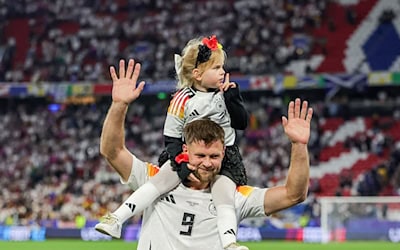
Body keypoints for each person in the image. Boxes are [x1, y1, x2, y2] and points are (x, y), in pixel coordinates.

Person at [98, 59, 313, 249]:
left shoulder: (235, 196)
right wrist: (119, 105)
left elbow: (293, 194)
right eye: (200, 156)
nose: (207, 163)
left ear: (224, 154)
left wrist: (299, 145)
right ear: (185, 151)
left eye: (214, 157)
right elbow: (112, 151)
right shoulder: (154, 178)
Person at [96, 35, 249, 249]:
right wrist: (179, 158)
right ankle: (116, 219)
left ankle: (230, 243)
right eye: (216, 68)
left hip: (224, 159)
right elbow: (172, 134)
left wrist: (232, 97)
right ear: (197, 74)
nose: (222, 71)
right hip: (185, 156)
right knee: (157, 184)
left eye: (222, 66)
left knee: (224, 197)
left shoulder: (226, 95)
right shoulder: (182, 98)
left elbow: (242, 123)